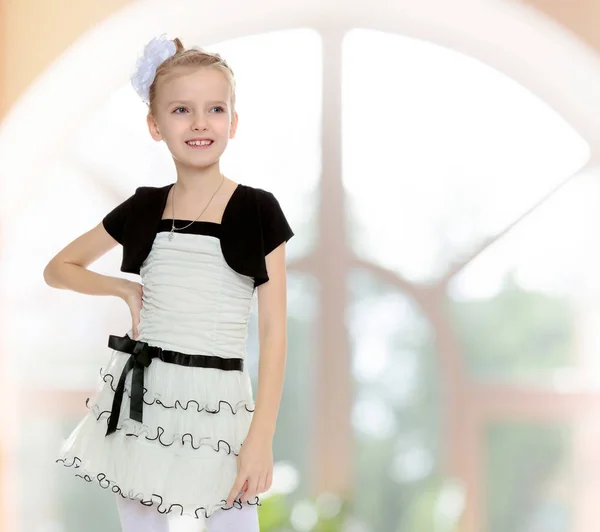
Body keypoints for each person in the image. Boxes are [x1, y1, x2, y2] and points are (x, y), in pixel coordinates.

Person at [43, 34, 294, 532]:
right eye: (182, 109)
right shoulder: (143, 208)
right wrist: (122, 288)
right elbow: (58, 269)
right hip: (145, 397)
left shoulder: (257, 210)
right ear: (155, 126)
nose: (200, 122)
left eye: (215, 108)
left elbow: (274, 330)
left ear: (233, 122)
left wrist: (261, 435)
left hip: (222, 402)